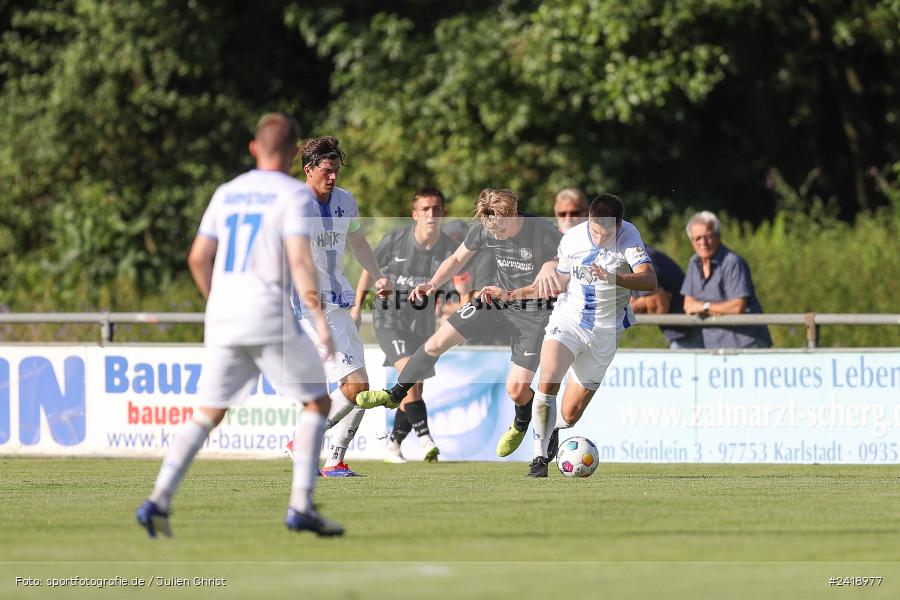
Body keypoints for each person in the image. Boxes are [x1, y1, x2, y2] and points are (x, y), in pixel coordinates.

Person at [136, 113, 343, 537]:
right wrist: (320, 320)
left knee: (208, 413)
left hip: (224, 315)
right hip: (267, 313)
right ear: (292, 154)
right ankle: (301, 505)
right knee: (317, 404)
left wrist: (220, 301)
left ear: (253, 147)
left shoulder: (226, 192)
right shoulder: (293, 194)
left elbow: (197, 258)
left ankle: (158, 499)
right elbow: (301, 262)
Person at [357, 189, 562, 459]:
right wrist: (431, 284)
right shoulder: (484, 228)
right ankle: (396, 393)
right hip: (494, 299)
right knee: (435, 343)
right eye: (491, 228)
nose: (495, 233)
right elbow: (456, 259)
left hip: (532, 312)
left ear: (515, 213)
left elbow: (574, 256)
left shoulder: (541, 229)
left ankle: (523, 422)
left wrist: (553, 263)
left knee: (517, 390)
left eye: (500, 228)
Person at [482, 193, 656, 476]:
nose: (600, 239)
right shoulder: (572, 240)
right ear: (589, 220)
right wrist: (510, 294)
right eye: (596, 232)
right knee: (548, 380)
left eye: (607, 233)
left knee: (570, 415)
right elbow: (556, 284)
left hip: (605, 333)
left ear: (619, 225)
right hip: (569, 320)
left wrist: (614, 277)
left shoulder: (629, 237)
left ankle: (550, 428)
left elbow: (649, 280)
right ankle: (539, 460)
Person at [287, 136, 391, 477]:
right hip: (311, 305)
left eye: (336, 171)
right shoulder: (294, 205)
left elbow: (358, 241)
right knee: (358, 387)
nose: (333, 178)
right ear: (309, 170)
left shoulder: (346, 201)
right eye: (327, 171)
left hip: (339, 300)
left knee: (362, 386)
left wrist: (377, 276)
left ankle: (335, 460)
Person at [351, 187, 462, 463]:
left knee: (415, 387)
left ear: (443, 213)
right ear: (415, 214)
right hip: (390, 319)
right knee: (409, 379)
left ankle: (393, 444)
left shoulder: (450, 249)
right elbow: (368, 269)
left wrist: (452, 308)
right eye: (425, 209)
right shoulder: (395, 240)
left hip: (423, 324)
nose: (431, 214)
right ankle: (426, 440)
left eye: (436, 209)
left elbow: (455, 291)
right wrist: (356, 307)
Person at [681, 211, 772, 348]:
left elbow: (737, 306)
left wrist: (703, 306)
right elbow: (688, 304)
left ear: (718, 236)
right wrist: (715, 308)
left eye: (708, 237)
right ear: (691, 241)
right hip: (715, 346)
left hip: (748, 343)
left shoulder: (732, 262)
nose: (703, 243)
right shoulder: (694, 262)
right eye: (697, 238)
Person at [629, 246, 703, 348]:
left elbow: (659, 306)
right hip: (682, 331)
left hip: (690, 331)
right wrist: (642, 302)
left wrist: (635, 304)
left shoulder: (640, 258)